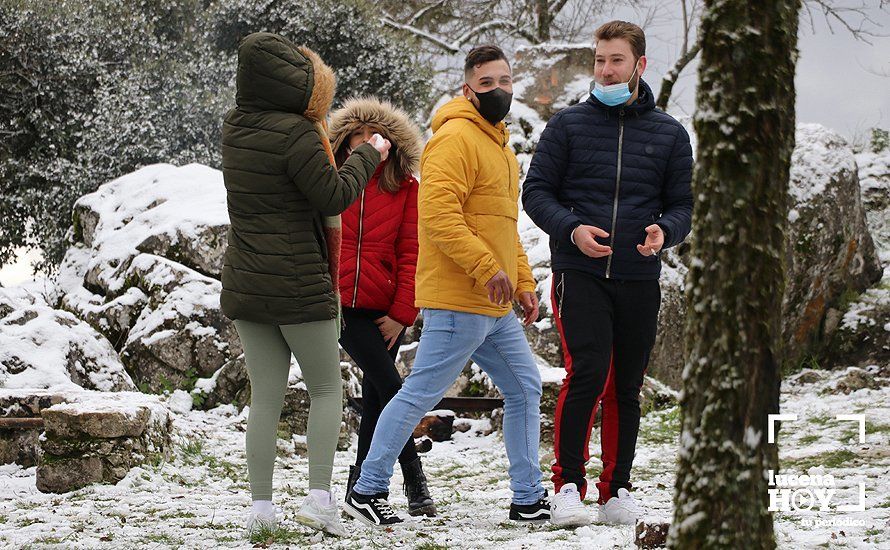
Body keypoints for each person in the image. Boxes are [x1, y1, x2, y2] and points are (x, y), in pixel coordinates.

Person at [344, 45, 550, 527]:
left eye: (504, 81)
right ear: (467, 89)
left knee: (524, 388)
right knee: (416, 395)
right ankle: (367, 488)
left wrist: (521, 280)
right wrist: (486, 269)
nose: (498, 90)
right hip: (460, 299)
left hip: (495, 303)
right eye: (486, 83)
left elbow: (504, 225)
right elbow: (439, 218)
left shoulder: (500, 147)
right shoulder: (453, 138)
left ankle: (527, 498)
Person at [218, 32, 390, 537]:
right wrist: (369, 155)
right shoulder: (297, 134)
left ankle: (261, 511)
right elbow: (332, 196)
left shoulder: (234, 127)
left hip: (248, 283)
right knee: (324, 389)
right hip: (299, 286)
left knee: (265, 396)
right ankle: (318, 500)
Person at [522, 20, 693, 527]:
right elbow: (536, 194)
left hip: (639, 276)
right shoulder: (569, 125)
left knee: (627, 384)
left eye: (616, 60)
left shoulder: (669, 133)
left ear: (640, 65)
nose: (605, 69)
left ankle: (616, 490)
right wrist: (571, 229)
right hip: (580, 271)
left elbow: (682, 204)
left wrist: (666, 231)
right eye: (599, 60)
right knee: (588, 373)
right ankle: (568, 486)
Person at [328, 96, 435, 517]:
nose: (367, 143)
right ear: (345, 142)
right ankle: (412, 473)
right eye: (358, 136)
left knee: (377, 394)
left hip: (387, 310)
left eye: (376, 136)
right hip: (339, 307)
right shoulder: (332, 180)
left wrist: (401, 314)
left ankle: (361, 483)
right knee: (393, 389)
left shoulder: (406, 188)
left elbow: (413, 251)